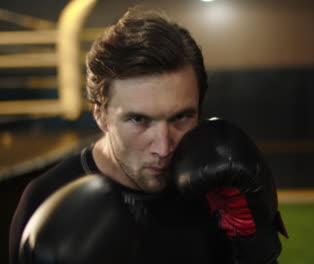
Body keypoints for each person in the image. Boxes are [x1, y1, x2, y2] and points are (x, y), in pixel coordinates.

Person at [9, 7, 285, 264]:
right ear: (100, 114)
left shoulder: (220, 187)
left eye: (181, 117)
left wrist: (256, 247)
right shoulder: (46, 198)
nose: (164, 147)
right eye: (138, 120)